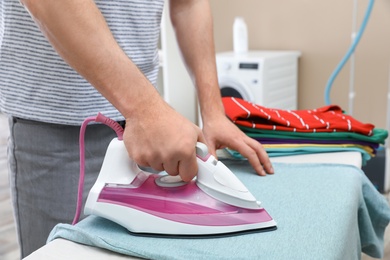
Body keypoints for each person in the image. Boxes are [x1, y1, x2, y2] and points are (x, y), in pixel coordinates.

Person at [0, 0, 274, 257]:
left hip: (152, 136)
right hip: (58, 126)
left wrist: (213, 112)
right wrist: (143, 108)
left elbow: (188, 3)